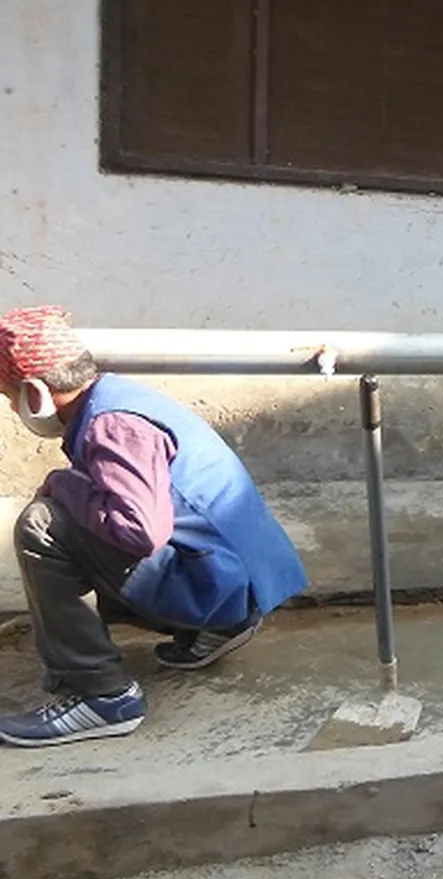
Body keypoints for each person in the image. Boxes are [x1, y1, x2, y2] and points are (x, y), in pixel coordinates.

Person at [0, 306, 307, 746]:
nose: (12, 408)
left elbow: (140, 531)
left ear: (35, 393)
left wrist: (61, 485)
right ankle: (214, 627)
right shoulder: (119, 398)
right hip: (237, 580)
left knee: (43, 526)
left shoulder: (113, 426)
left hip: (220, 588)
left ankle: (99, 695)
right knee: (78, 520)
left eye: (9, 396)